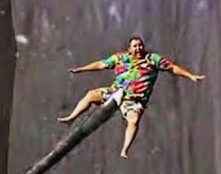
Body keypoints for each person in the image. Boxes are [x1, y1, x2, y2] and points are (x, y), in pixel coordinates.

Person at [58, 35, 205, 158]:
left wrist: (190, 75)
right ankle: (71, 118)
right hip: (116, 91)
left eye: (140, 45)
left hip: (135, 99)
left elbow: (172, 68)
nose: (138, 48)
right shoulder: (120, 58)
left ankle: (124, 149)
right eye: (135, 46)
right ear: (129, 48)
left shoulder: (152, 59)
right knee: (91, 94)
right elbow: (100, 64)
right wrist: (80, 70)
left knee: (133, 120)